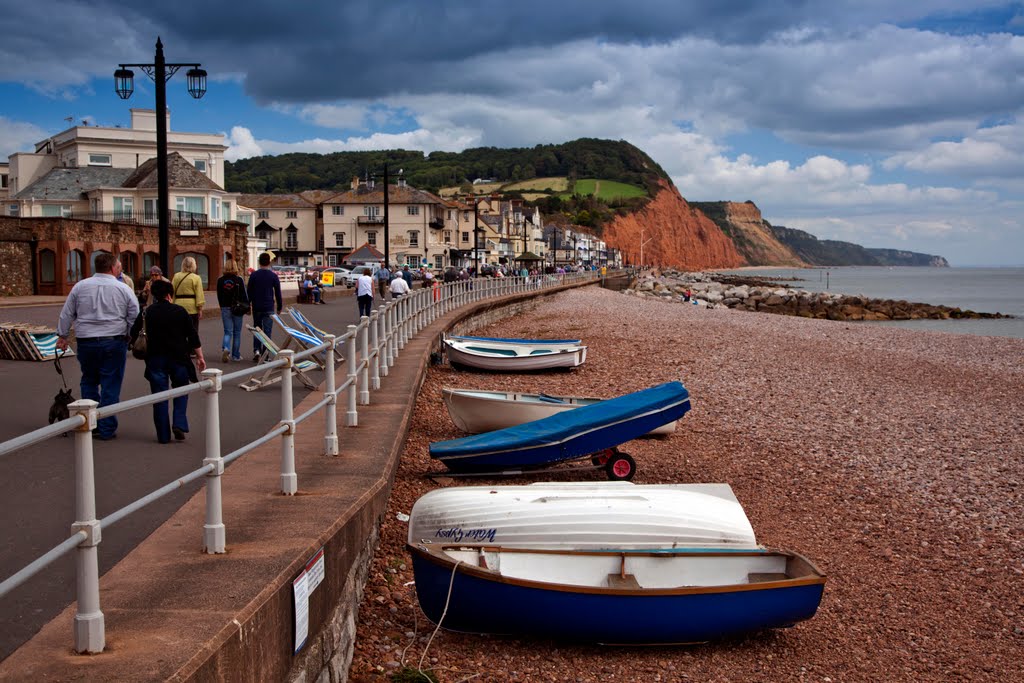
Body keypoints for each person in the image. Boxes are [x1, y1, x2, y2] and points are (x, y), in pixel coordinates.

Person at [55, 253, 139, 441]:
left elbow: (67, 312)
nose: (120, 269)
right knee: (111, 383)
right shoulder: (123, 289)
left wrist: (62, 335)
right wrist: (130, 334)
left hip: (86, 341)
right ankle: (106, 427)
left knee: (89, 380)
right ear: (112, 268)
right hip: (114, 340)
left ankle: (89, 422)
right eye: (119, 266)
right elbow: (135, 314)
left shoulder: (80, 287)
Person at [130, 279, 206, 443]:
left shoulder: (146, 312)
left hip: (155, 359)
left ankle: (163, 435)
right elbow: (192, 336)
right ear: (170, 294)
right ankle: (179, 422)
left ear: (154, 295)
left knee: (159, 396)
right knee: (181, 389)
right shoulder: (180, 311)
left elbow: (134, 332)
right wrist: (200, 357)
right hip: (179, 358)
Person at [247, 252, 283, 362]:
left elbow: (249, 292)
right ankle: (265, 354)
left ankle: (256, 351)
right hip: (268, 307)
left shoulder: (254, 275)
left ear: (259, 262)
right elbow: (278, 292)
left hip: (257, 306)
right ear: (269, 262)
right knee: (267, 331)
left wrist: (249, 305)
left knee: (257, 329)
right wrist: (279, 306)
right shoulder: (273, 276)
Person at [216, 259, 249, 362]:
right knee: (237, 332)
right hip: (237, 308)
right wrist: (247, 307)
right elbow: (244, 295)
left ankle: (226, 348)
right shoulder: (239, 280)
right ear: (235, 267)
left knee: (227, 331)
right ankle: (236, 355)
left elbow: (219, 295)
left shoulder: (220, 280)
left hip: (225, 307)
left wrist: (222, 306)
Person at [171, 256, 205, 332]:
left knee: (179, 331)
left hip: (178, 306)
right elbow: (199, 295)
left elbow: (172, 291)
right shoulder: (196, 278)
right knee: (193, 331)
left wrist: (172, 304)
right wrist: (200, 309)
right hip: (192, 308)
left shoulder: (176, 276)